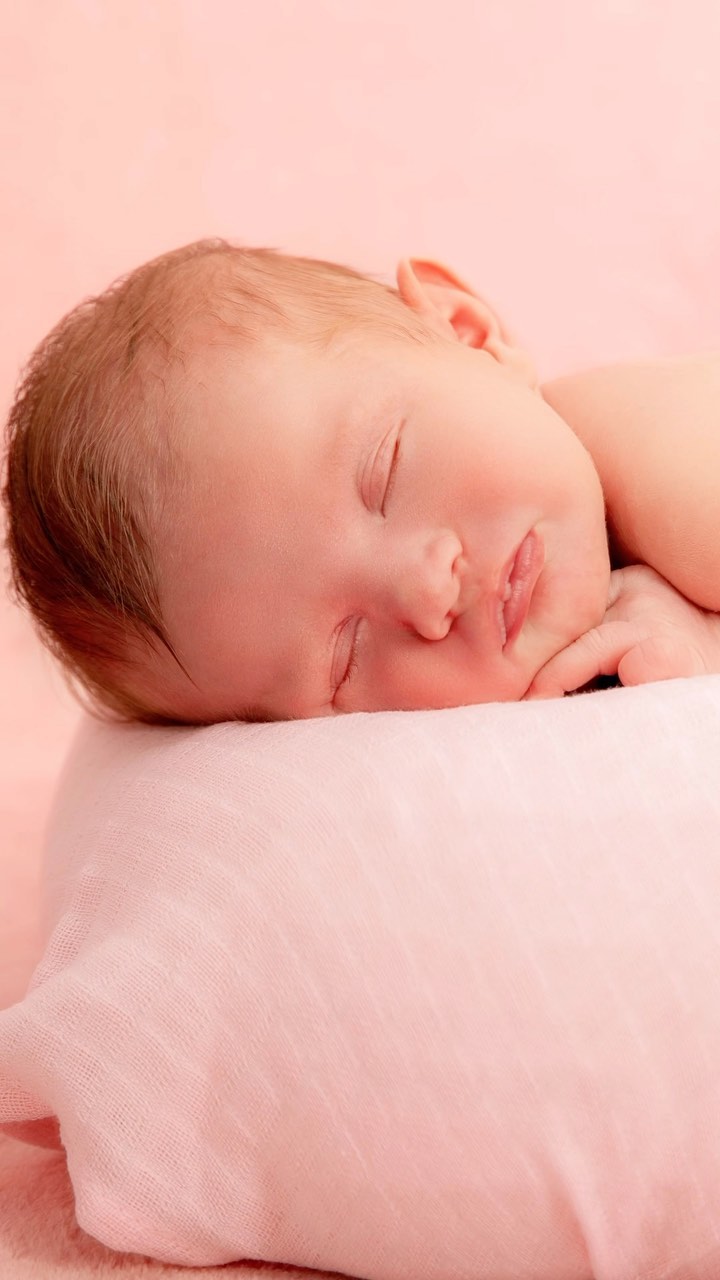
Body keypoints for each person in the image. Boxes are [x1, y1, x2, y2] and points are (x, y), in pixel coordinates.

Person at [3, 238, 720, 725]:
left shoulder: (639, 435)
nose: (428, 592)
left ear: (465, 332)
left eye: (387, 473)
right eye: (346, 658)